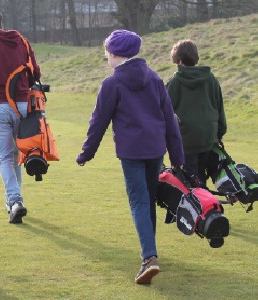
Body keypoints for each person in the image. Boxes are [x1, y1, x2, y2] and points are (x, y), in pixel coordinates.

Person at [76, 30, 184, 285]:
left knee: (139, 202)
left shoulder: (112, 83)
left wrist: (86, 153)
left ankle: (149, 256)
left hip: (132, 152)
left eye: (107, 52)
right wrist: (177, 156)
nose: (106, 56)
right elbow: (170, 120)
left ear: (114, 54)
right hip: (155, 149)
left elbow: (98, 122)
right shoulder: (155, 78)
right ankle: (150, 252)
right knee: (147, 199)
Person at [0, 8, 41, 224]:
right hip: (24, 106)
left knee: (5, 157)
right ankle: (14, 202)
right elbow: (36, 73)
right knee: (16, 156)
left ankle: (14, 200)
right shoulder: (21, 40)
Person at [166, 39, 227, 186]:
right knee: (200, 178)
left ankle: (201, 207)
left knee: (190, 182)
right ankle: (208, 206)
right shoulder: (211, 79)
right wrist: (220, 133)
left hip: (186, 140)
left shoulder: (174, 82)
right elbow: (219, 107)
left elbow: (165, 113)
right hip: (208, 137)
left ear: (178, 59)